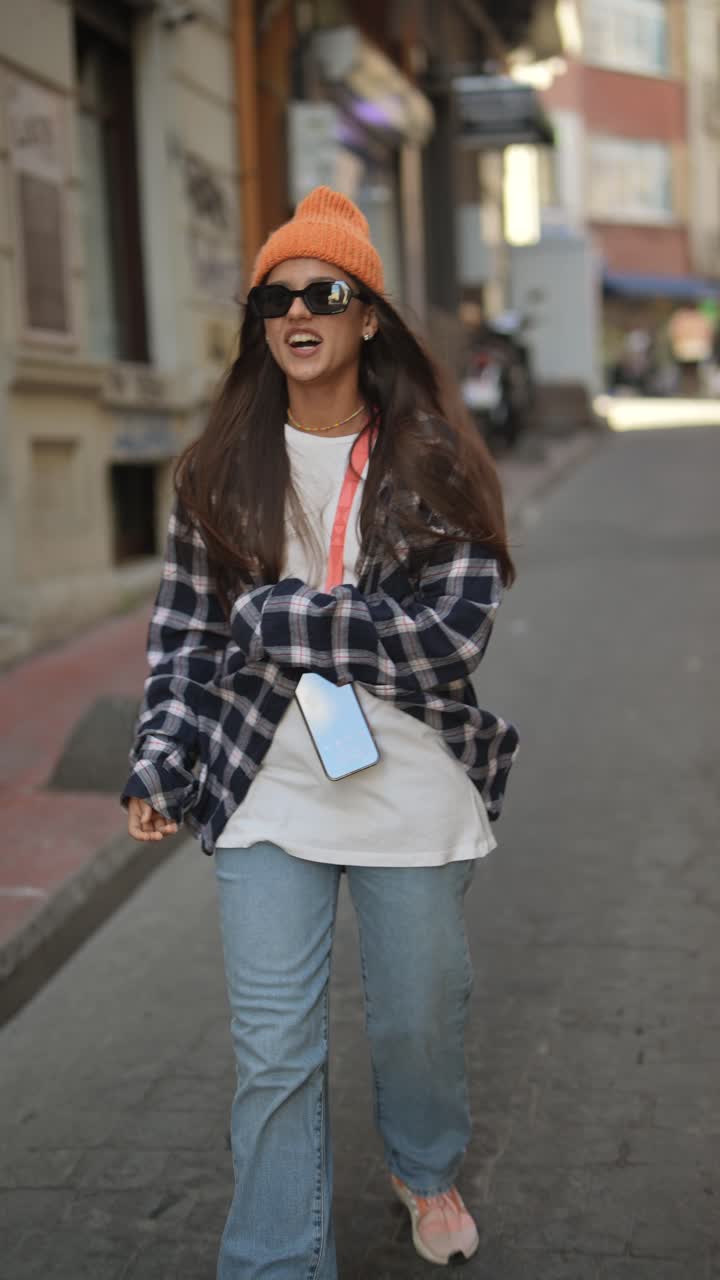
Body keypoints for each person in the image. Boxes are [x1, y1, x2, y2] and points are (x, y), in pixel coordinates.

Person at [123, 187, 518, 1277]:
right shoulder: (217, 468)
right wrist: (162, 758)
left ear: (367, 315)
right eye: (276, 296)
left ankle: (424, 1162)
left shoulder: (430, 457)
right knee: (275, 1053)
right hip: (265, 778)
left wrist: (280, 614)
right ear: (261, 319)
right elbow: (185, 641)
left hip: (412, 779)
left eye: (325, 293)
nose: (299, 312)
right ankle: (273, 1260)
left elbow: (450, 637)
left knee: (418, 1023)